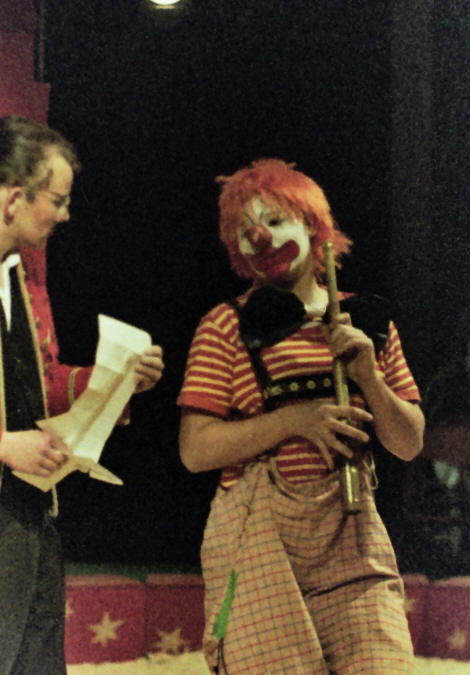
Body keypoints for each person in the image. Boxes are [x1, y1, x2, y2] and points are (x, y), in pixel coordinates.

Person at [178, 159, 425, 675]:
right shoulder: (225, 326)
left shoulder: (368, 322)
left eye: (275, 220)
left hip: (352, 541)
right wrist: (296, 421)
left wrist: (369, 378)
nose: (260, 237)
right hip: (257, 548)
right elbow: (196, 450)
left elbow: (409, 443)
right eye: (247, 229)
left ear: (313, 226)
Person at [0, 115, 164, 675]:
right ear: (15, 198)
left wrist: (116, 380)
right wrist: (4, 446)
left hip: (27, 511)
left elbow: (38, 382)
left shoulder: (19, 279)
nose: (66, 215)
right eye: (58, 200)